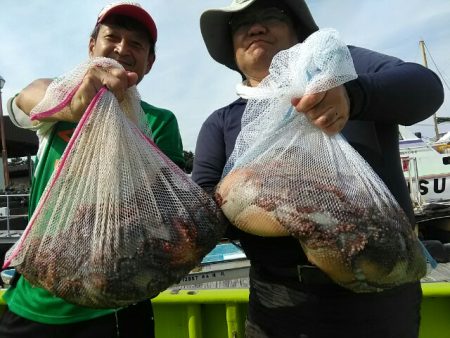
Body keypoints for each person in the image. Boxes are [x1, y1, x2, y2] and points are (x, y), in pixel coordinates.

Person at [192, 0, 445, 337]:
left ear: (298, 30)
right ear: (233, 52)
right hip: (279, 303)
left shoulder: (343, 69)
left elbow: (425, 87)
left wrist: (351, 96)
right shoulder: (222, 122)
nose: (255, 28)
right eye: (240, 26)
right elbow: (205, 204)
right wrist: (250, 197)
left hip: (381, 298)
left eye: (269, 15)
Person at [0, 2, 184, 338]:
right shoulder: (60, 106)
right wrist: (70, 104)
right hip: (33, 302)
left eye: (137, 44)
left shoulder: (159, 122)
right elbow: (22, 99)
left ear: (150, 62)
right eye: (112, 37)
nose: (122, 49)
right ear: (91, 47)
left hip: (117, 305)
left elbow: (162, 210)